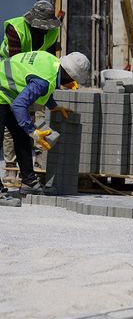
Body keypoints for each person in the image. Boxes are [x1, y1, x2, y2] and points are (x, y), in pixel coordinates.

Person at [0, 51, 89, 207]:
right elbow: (20, 105)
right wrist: (34, 132)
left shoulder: (51, 62)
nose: (72, 83)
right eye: (73, 79)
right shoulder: (45, 80)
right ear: (69, 74)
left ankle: (30, 182)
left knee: (21, 137)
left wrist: (54, 106)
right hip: (3, 93)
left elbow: (36, 84)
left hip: (6, 92)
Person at [1, 0, 61, 183]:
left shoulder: (52, 32)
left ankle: (30, 177)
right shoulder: (16, 28)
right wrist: (31, 128)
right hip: (7, 80)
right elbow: (15, 63)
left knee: (24, 129)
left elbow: (48, 60)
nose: (44, 30)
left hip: (30, 80)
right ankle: (10, 171)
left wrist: (52, 103)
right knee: (13, 128)